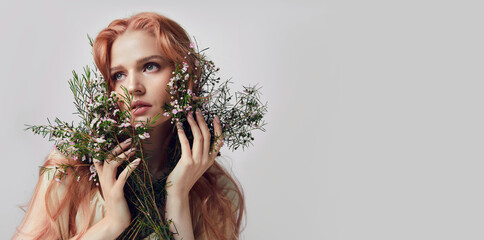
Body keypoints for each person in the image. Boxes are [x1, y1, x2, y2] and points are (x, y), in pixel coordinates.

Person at [13, 12, 245, 240]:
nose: (133, 86)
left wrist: (177, 196)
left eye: (150, 66)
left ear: (184, 76)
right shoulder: (70, 168)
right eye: (119, 75)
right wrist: (111, 224)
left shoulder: (213, 188)